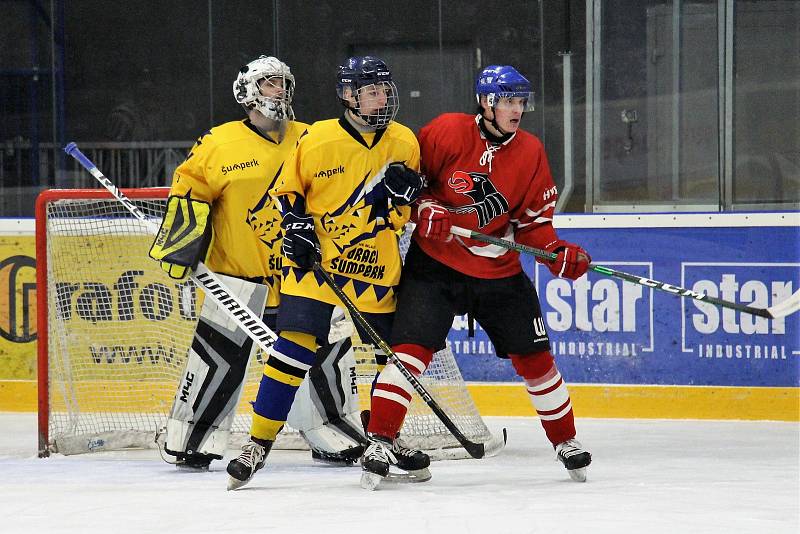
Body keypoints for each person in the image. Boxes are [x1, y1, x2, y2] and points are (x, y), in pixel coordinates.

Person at [359, 65, 593, 489]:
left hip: (499, 272)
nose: (517, 109)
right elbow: (407, 186)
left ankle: (566, 441)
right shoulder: (445, 132)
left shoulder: (531, 151)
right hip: (436, 266)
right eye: (508, 101)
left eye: (522, 101)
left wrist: (556, 252)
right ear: (486, 102)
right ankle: (379, 441)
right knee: (407, 354)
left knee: (536, 360)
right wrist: (422, 210)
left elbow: (534, 225)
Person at [226, 56, 430, 490]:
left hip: (375, 266)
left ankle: (383, 439)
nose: (382, 97)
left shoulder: (404, 141)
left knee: (388, 357)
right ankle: (258, 443)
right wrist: (296, 225)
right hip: (315, 264)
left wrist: (402, 201)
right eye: (372, 90)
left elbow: (401, 216)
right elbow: (287, 193)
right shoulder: (317, 139)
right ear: (347, 95)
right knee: (293, 350)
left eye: (384, 89)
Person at [147, 55, 310, 469]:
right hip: (237, 279)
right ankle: (192, 438)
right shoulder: (218, 143)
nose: (281, 90)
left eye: (284, 82)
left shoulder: (311, 138)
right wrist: (182, 246)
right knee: (215, 362)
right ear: (249, 91)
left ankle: (335, 432)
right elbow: (189, 190)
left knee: (323, 358)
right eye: (271, 83)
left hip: (301, 276)